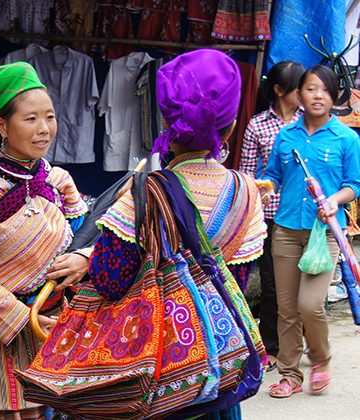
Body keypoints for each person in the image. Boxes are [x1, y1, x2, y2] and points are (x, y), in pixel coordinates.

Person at [88, 49, 267, 418]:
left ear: (167, 118)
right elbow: (234, 282)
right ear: (231, 126)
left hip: (151, 372)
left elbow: (107, 279)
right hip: (214, 372)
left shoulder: (144, 193)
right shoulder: (247, 194)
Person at [0, 62, 90, 419]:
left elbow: (90, 238)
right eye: (31, 119)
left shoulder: (60, 183)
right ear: (1, 126)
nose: (44, 130)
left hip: (51, 325)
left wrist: (84, 258)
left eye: (50, 117)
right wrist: (25, 318)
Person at [261, 65, 360, 398]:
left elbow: (354, 185)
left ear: (334, 96)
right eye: (311, 89)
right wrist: (264, 187)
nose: (318, 96)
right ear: (298, 95)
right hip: (286, 230)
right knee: (286, 309)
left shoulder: (346, 138)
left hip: (327, 233)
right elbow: (272, 175)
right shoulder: (285, 136)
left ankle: (320, 359)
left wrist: (334, 200)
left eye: (325, 90)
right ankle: (290, 375)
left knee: (310, 304)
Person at [238, 61, 305, 371]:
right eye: (298, 87)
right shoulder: (257, 126)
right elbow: (247, 174)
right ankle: (272, 346)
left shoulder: (311, 122)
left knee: (304, 281)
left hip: (304, 215)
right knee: (272, 285)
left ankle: (301, 342)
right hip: (269, 216)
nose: (305, 93)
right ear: (280, 91)